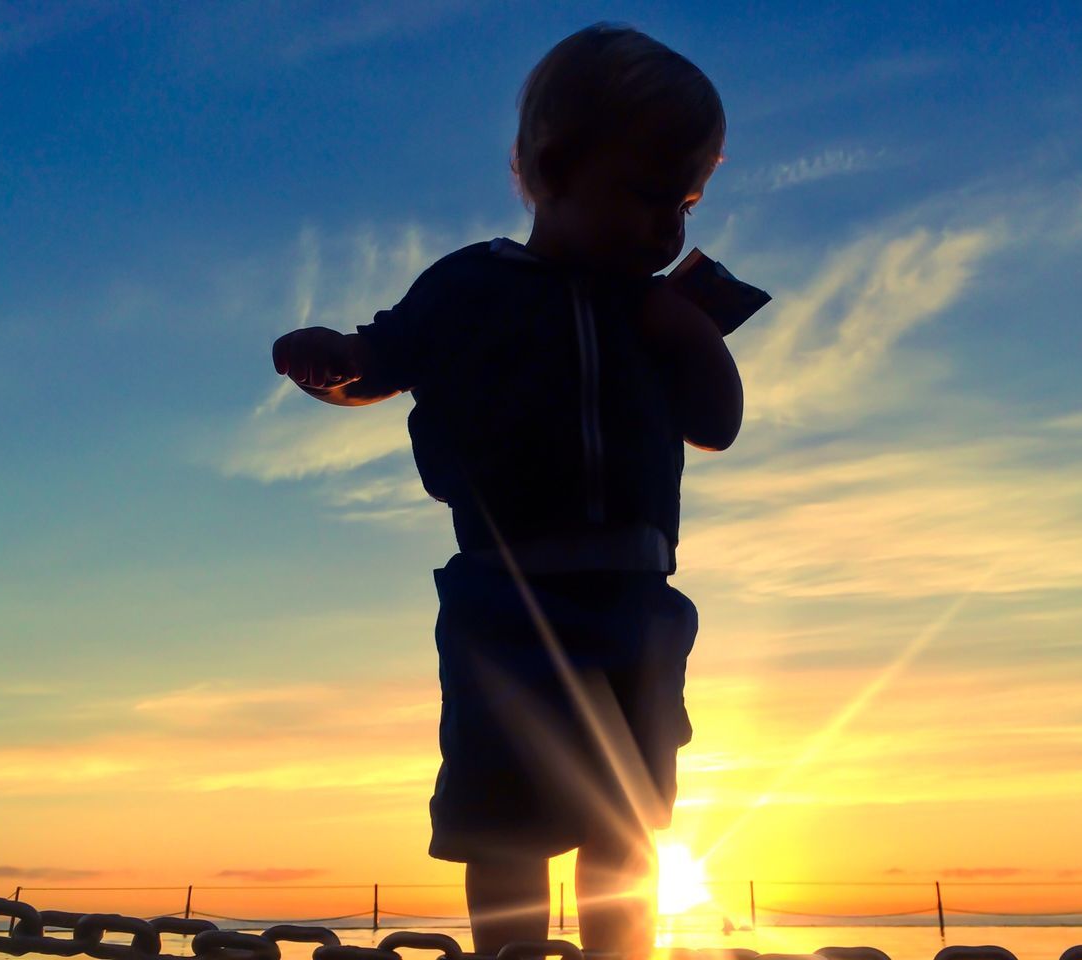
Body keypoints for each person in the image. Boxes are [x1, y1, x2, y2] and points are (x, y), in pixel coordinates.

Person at [271, 23, 754, 960]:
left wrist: (684, 329)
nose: (670, 225)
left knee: (625, 820)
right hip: (504, 592)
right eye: (650, 193)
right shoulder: (471, 284)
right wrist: (340, 363)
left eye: (687, 201)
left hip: (633, 600)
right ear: (555, 166)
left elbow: (719, 423)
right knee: (501, 818)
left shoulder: (658, 304)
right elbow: (387, 356)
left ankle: (623, 953)